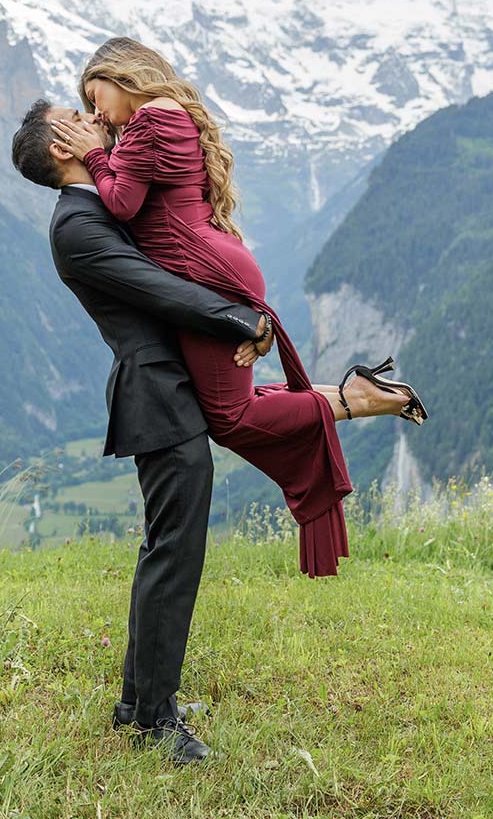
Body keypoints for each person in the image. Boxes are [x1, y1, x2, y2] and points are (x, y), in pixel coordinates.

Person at [50, 37, 428, 579]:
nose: (93, 110)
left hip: (208, 275)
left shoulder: (150, 122)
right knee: (233, 403)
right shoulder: (162, 118)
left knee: (230, 418)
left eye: (95, 94)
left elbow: (122, 203)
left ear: (123, 75)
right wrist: (106, 147)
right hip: (214, 265)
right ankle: (349, 394)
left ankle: (356, 400)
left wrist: (91, 154)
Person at [11, 99, 274, 764]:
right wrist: (242, 319)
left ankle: (139, 704)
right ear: (60, 147)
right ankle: (155, 721)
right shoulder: (75, 225)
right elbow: (157, 288)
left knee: (168, 551)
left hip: (169, 386)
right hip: (156, 393)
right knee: (174, 555)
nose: (90, 115)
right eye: (75, 114)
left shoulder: (97, 204)